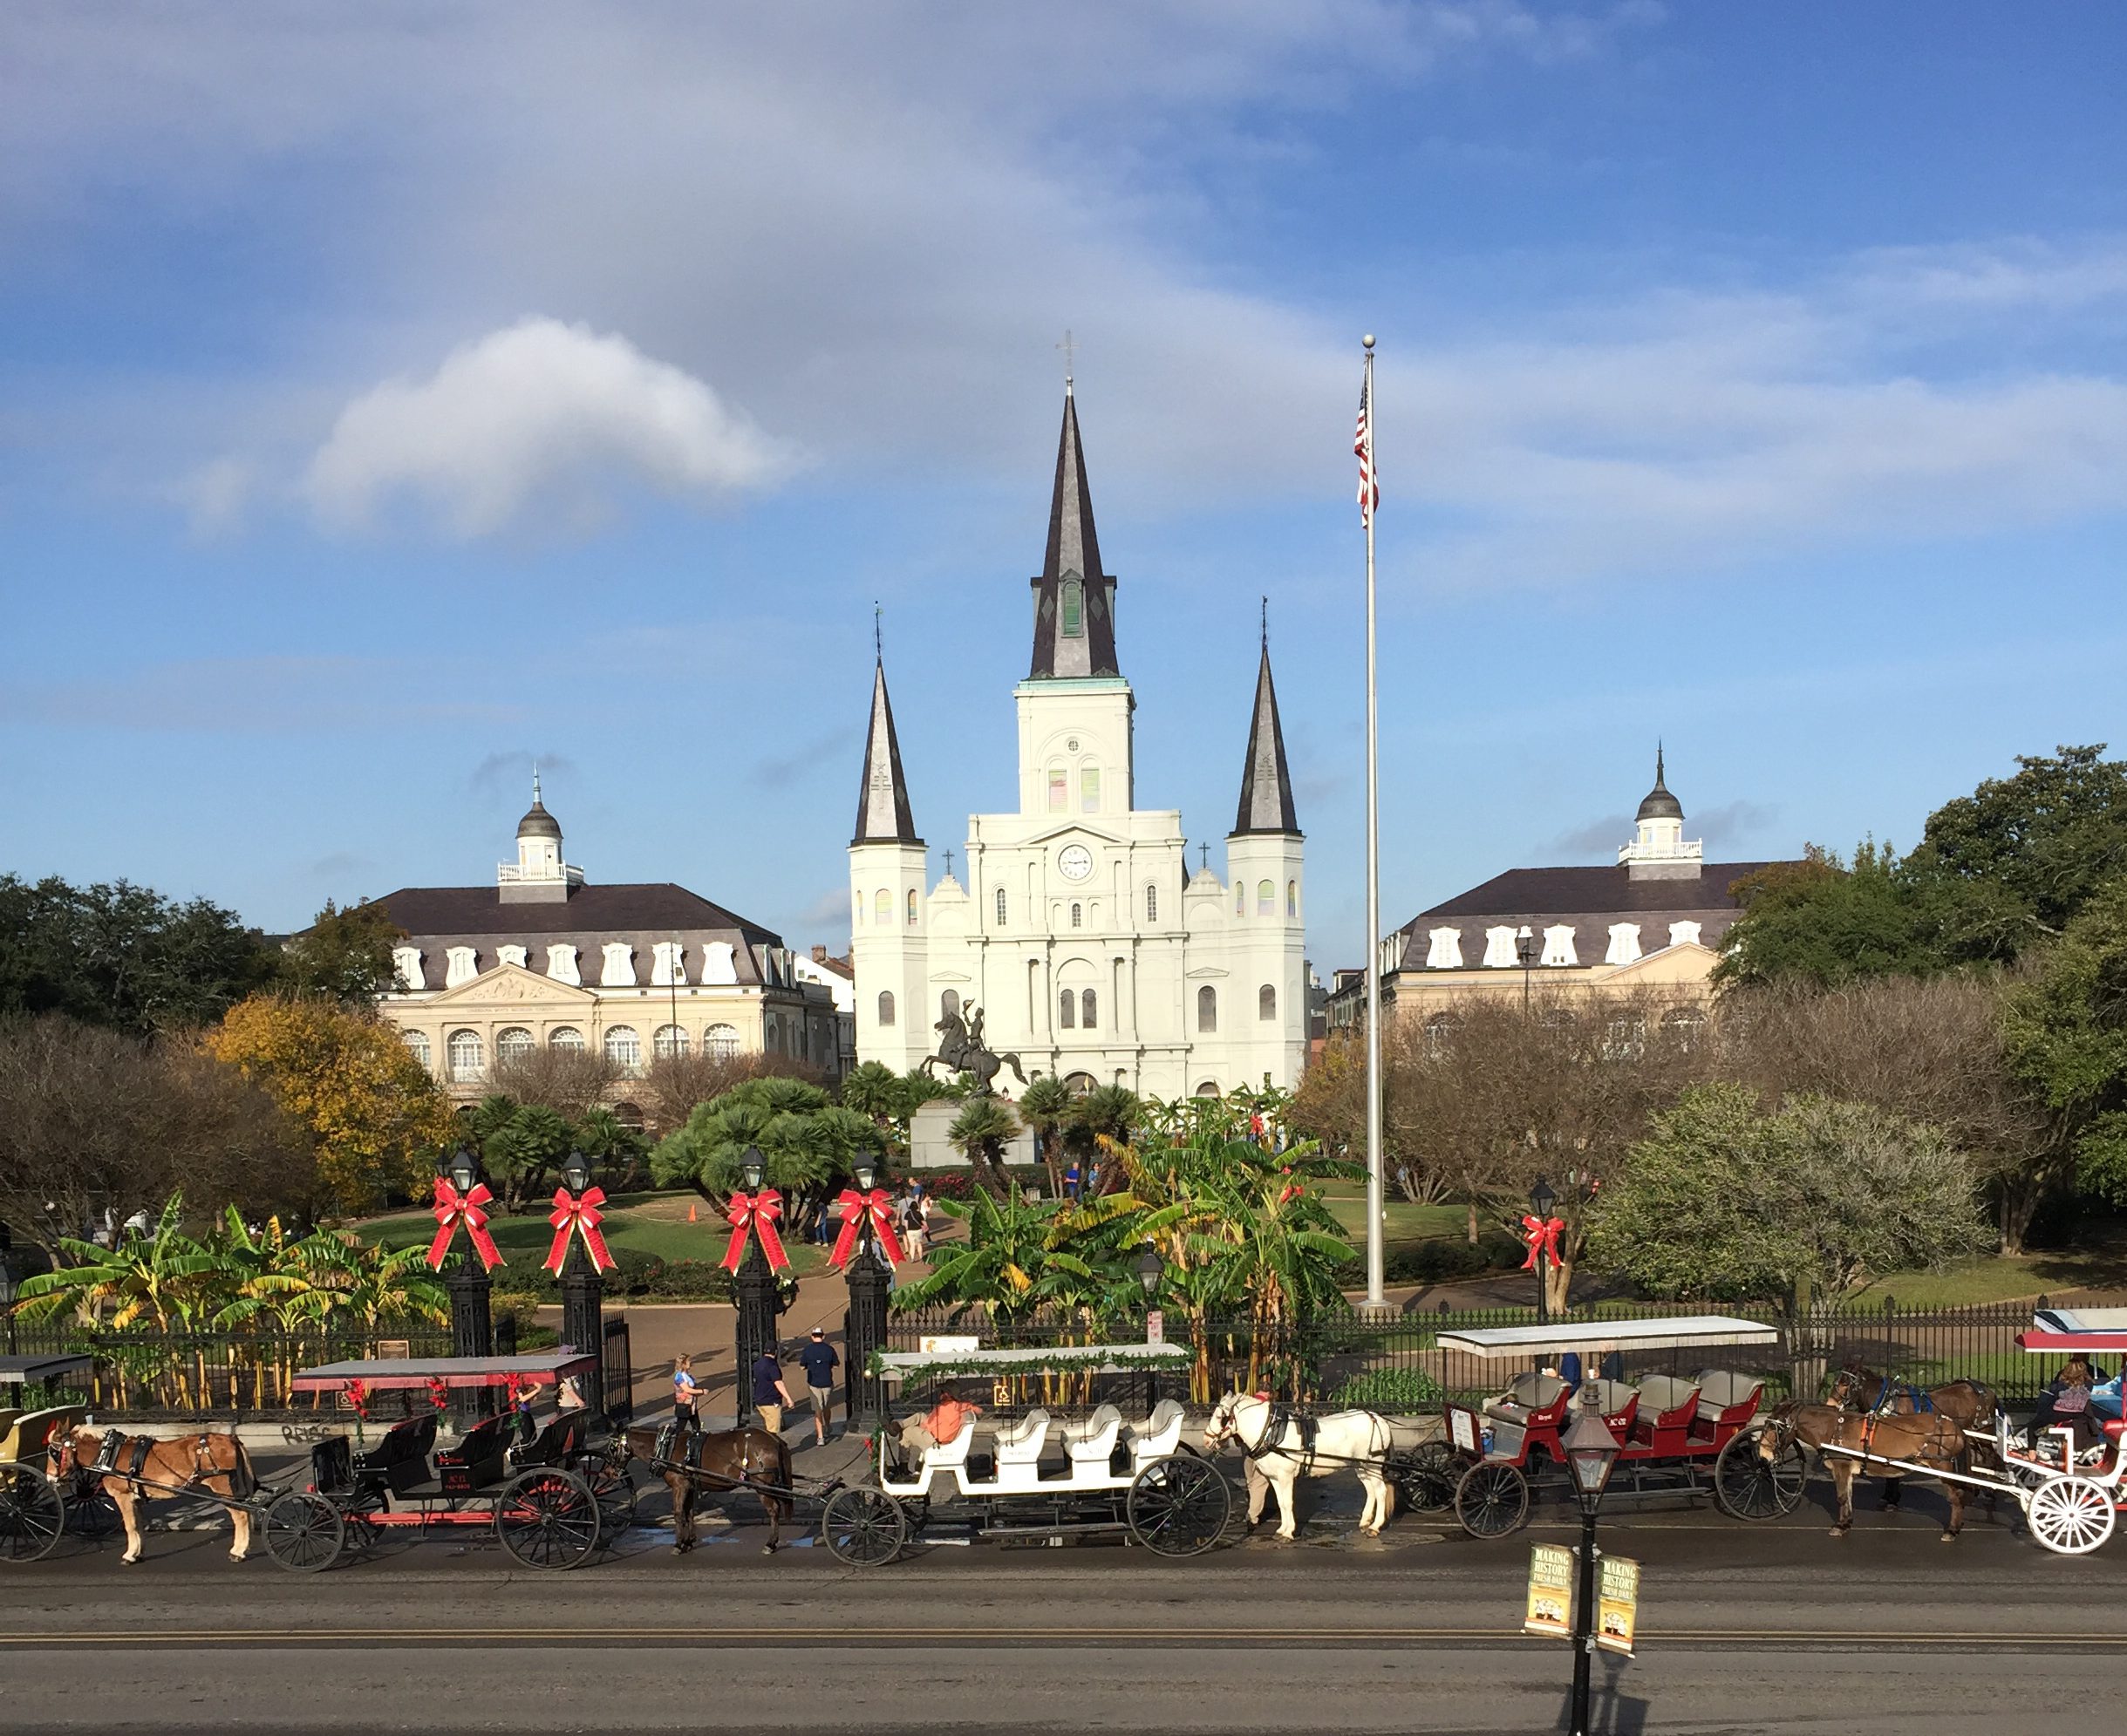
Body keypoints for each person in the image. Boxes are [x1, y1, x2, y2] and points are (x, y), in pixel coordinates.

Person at [896, 1383, 983, 1460]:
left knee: (906, 1432)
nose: (940, 1394)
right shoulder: (959, 1406)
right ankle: (899, 1425)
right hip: (939, 1435)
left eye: (942, 1392)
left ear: (947, 1394)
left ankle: (903, 1466)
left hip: (934, 1440)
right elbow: (977, 1409)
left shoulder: (944, 1407)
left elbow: (930, 1426)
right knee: (921, 1415)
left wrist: (920, 1428)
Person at [798, 1326, 840, 1447]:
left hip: (814, 1384)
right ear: (823, 1336)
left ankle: (820, 1437)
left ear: (812, 1337)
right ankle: (827, 1426)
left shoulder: (807, 1350)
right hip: (827, 1382)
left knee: (817, 1410)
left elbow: (802, 1366)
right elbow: (836, 1365)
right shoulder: (829, 1349)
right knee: (826, 1407)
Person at [751, 1347, 794, 1436]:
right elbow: (778, 1383)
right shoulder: (772, 1366)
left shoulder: (757, 1364)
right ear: (775, 1352)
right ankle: (772, 1449)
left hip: (760, 1401)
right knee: (774, 1433)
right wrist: (788, 1398)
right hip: (772, 1401)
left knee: (769, 1428)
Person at [672, 1353, 700, 1429]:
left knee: (696, 1426)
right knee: (680, 1427)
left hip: (691, 1405)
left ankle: (696, 1439)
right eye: (688, 1361)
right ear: (683, 1364)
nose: (690, 1363)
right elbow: (687, 1389)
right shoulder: (679, 1376)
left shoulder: (687, 1375)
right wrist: (702, 1391)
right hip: (684, 1406)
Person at [903, 1194, 927, 1263]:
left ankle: (912, 1258)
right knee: (919, 1244)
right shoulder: (919, 1214)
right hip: (918, 1230)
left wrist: (907, 1230)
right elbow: (923, 1222)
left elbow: (906, 1224)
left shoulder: (907, 1214)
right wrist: (926, 1227)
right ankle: (921, 1257)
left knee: (912, 1245)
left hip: (910, 1231)